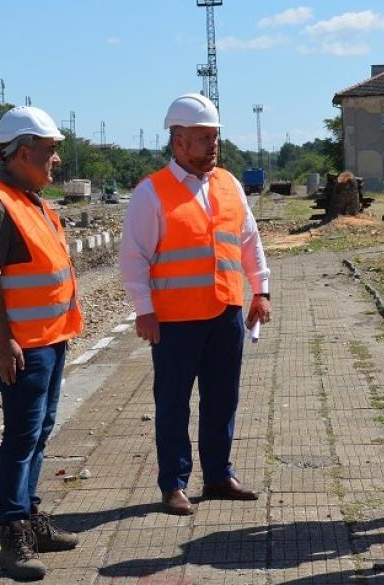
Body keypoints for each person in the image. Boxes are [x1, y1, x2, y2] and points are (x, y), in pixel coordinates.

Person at [119, 93, 272, 516]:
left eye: (215, 137)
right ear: (179, 141)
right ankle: (174, 484)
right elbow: (133, 257)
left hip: (225, 312)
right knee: (172, 403)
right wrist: (144, 310)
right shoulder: (152, 193)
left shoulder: (229, 184)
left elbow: (248, 241)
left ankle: (219, 476)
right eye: (204, 138)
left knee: (222, 399)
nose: (213, 145)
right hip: (173, 321)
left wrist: (260, 290)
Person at [0, 105, 83, 580]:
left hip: (50, 341)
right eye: (51, 151)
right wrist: (3, 342)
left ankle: (32, 518)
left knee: (40, 431)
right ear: (21, 153)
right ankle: (13, 532)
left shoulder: (32, 200)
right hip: (23, 347)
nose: (57, 161)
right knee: (20, 437)